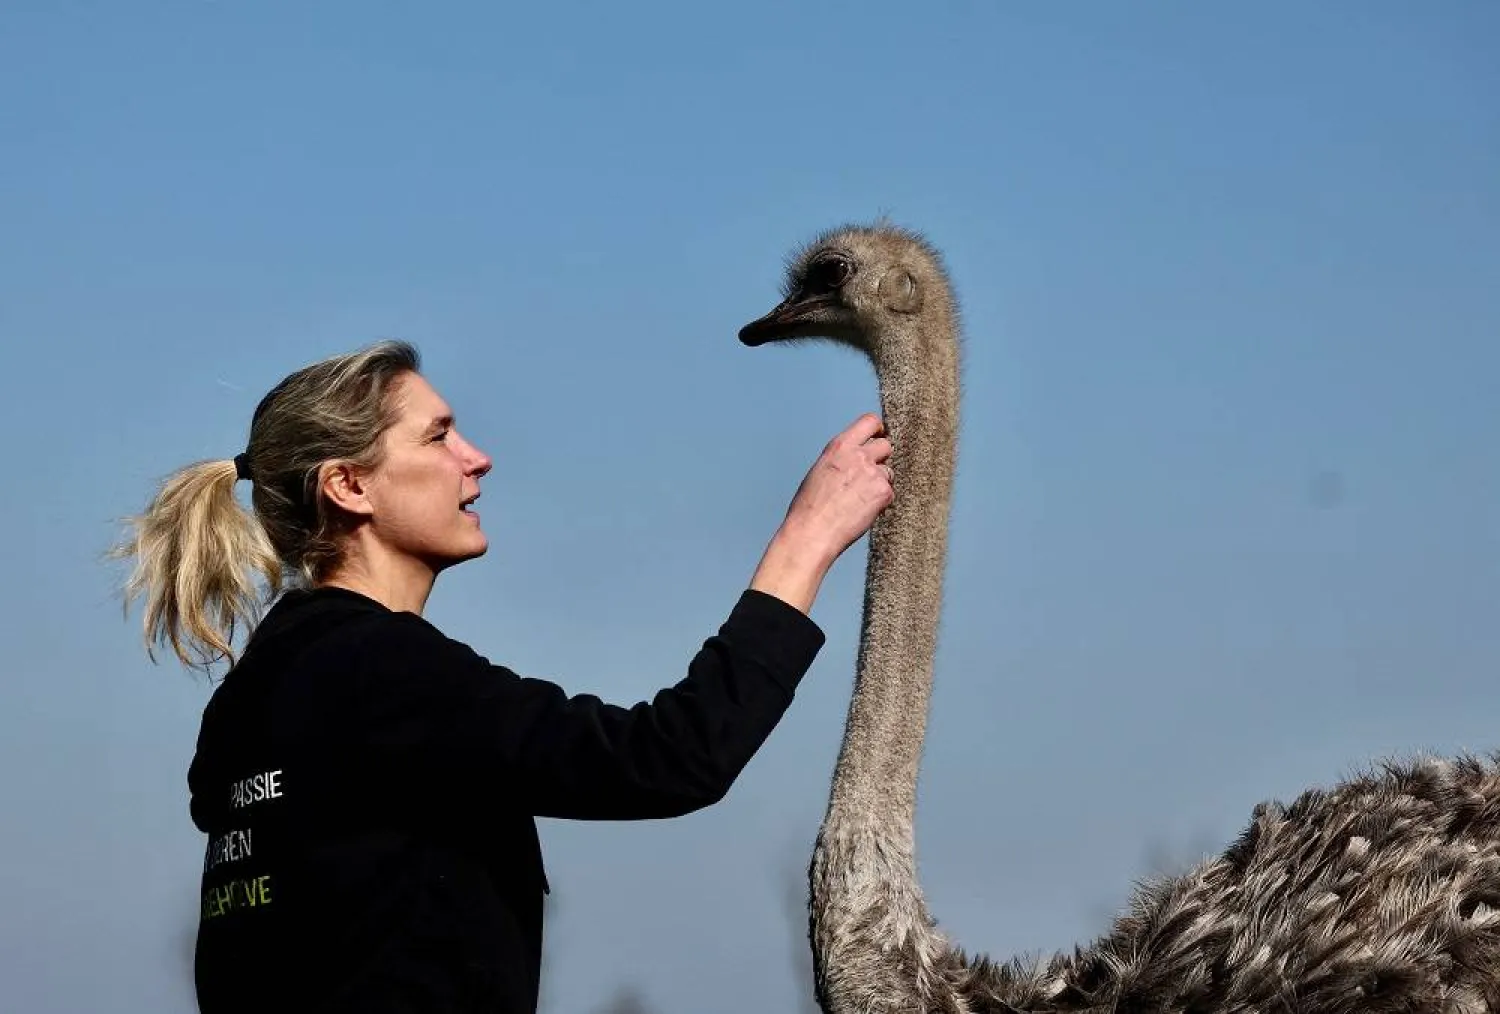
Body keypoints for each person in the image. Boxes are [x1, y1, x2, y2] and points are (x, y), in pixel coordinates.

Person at [113, 340, 894, 1014]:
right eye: (438, 437)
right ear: (348, 486)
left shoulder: (261, 694)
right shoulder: (380, 672)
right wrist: (808, 539)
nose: (475, 457)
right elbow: (670, 758)